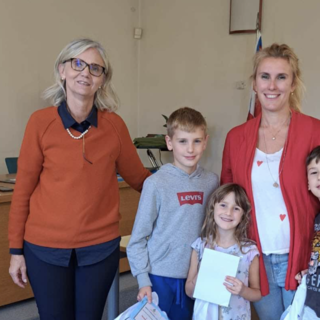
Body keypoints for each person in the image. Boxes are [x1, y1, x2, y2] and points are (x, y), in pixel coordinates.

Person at [8, 38, 151, 320]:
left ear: (102, 80)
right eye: (78, 64)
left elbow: (140, 179)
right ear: (63, 71)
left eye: (95, 68)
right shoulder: (40, 123)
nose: (85, 72)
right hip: (44, 250)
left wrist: (183, 181)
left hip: (98, 250)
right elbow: (22, 191)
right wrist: (15, 251)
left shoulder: (114, 126)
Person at [221, 43, 320, 319]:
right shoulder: (236, 137)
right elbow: (227, 202)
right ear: (254, 83)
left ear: (293, 83)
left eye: (281, 77)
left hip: (303, 259)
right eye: (265, 76)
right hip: (256, 259)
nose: (272, 85)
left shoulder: (315, 131)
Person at [127, 107, 219, 320]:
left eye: (196, 141)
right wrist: (143, 280)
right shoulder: (155, 184)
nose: (190, 149)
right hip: (161, 276)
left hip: (198, 275)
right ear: (169, 143)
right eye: (182, 141)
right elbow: (138, 239)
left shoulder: (212, 181)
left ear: (205, 142)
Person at [186, 183, 261, 320]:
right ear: (213, 207)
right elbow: (189, 292)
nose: (228, 212)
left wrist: (243, 290)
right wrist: (199, 278)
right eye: (223, 205)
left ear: (243, 215)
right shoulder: (200, 246)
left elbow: (257, 294)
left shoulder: (249, 251)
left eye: (236, 208)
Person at [292, 146, 320, 319]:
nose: (319, 177)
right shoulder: (317, 219)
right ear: (308, 183)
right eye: (313, 172)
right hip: (313, 302)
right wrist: (310, 272)